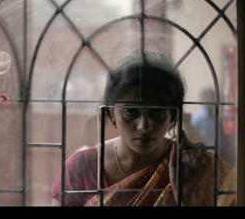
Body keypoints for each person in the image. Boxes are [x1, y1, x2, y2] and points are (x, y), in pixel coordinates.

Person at [48, 50, 236, 206]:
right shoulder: (81, 169)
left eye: (157, 113)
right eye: (131, 113)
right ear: (112, 112)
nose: (144, 127)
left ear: (172, 113)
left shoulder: (200, 168)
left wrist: (186, 196)